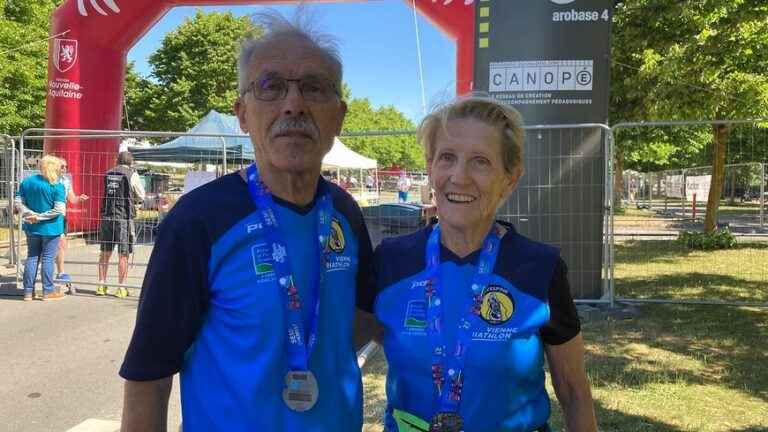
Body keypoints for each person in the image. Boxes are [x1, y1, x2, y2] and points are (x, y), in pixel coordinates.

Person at [119, 11, 376, 432]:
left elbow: (362, 319)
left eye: (313, 87)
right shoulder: (198, 220)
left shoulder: (345, 212)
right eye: (271, 87)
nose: (293, 104)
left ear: (339, 116)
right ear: (242, 114)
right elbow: (150, 372)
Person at [367, 95, 597, 432]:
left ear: (510, 178)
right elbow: (339, 349)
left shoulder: (539, 267)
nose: (459, 176)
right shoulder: (389, 260)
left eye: (480, 162)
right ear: (431, 167)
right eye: (447, 157)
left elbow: (574, 392)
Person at [15, 155, 67, 301]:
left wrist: (29, 214)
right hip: (51, 228)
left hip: (31, 226)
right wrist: (39, 217)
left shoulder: (27, 182)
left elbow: (18, 202)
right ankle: (48, 291)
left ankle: (27, 292)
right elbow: (58, 210)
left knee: (32, 257)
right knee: (48, 258)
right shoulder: (57, 186)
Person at [97, 151, 145, 298]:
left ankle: (101, 285)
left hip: (107, 216)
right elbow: (141, 195)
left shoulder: (108, 173)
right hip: (124, 217)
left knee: (105, 253)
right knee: (123, 254)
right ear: (131, 161)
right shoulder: (132, 174)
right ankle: (121, 287)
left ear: (117, 160)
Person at [55, 157, 89, 285]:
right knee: (50, 245)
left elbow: (72, 199)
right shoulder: (48, 179)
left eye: (66, 166)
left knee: (62, 244)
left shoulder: (66, 180)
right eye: (62, 166)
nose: (64, 169)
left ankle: (60, 272)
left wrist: (79, 198)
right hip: (49, 216)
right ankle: (44, 269)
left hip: (61, 217)